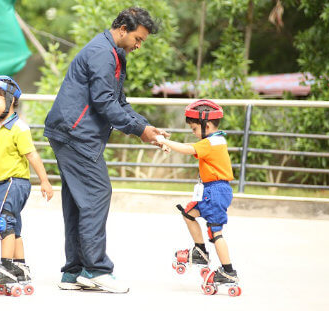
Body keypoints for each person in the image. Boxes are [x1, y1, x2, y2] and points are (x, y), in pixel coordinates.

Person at [44, 7, 167, 293]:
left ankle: (74, 272)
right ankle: (96, 269)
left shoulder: (112, 53)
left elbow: (118, 101)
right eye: (138, 39)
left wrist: (146, 127)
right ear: (123, 28)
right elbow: (104, 103)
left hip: (69, 131)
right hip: (76, 133)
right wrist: (139, 130)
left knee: (78, 200)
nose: (138, 46)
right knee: (98, 193)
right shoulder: (102, 53)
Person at [155, 99, 241, 296]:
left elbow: (188, 148)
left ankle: (228, 272)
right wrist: (168, 144)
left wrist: (164, 141)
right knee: (188, 213)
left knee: (215, 233)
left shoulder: (212, 142)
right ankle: (200, 251)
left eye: (194, 128)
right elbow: (190, 147)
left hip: (216, 191)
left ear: (207, 125)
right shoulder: (214, 141)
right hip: (212, 190)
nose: (193, 133)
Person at [0, 76, 54, 293]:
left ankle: (6, 266)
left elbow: (33, 155)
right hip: (1, 184)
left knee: (4, 222)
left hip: (15, 182)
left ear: (10, 100)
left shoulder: (18, 128)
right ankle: (20, 268)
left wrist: (45, 181)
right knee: (14, 226)